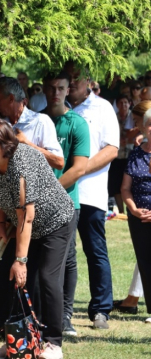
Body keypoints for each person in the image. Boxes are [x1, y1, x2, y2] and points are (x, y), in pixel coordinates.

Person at [0, 119, 75, 359]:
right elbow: (2, 194)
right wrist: (0, 224)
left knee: (46, 278)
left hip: (55, 222)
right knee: (13, 280)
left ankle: (53, 344)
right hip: (24, 225)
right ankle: (19, 342)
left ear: (6, 145)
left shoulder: (21, 163)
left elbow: (26, 218)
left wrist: (21, 260)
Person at [65, 61, 119, 329]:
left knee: (95, 251)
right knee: (61, 254)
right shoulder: (57, 108)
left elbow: (111, 150)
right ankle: (61, 310)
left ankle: (101, 309)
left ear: (88, 80)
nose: (72, 82)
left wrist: (79, 169)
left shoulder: (102, 107)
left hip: (89, 193)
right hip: (60, 193)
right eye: (68, 78)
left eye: (77, 77)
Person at [41, 71, 91, 337]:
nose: (55, 93)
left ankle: (66, 316)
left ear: (68, 90)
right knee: (41, 262)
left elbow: (79, 168)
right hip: (33, 203)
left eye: (60, 88)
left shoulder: (76, 123)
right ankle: (41, 315)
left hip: (66, 202)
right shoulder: (38, 120)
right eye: (50, 88)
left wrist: (49, 192)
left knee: (67, 259)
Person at [121, 102, 151, 325]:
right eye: (148, 124)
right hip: (138, 217)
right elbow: (125, 187)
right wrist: (132, 208)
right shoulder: (135, 155)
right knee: (145, 263)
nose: (149, 128)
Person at [109, 95, 134, 213]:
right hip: (116, 156)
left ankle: (131, 209)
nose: (123, 105)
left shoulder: (133, 117)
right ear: (117, 105)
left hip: (130, 156)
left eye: (126, 102)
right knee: (116, 184)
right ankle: (121, 211)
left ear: (129, 104)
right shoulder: (112, 117)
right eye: (121, 103)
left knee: (130, 184)